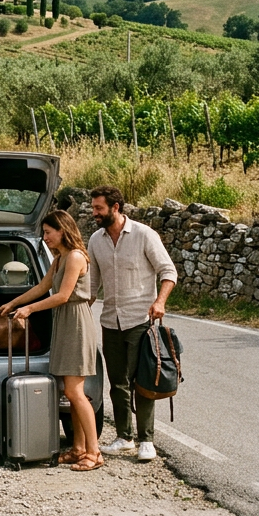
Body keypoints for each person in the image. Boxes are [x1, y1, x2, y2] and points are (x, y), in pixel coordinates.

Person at [0, 210, 103, 471]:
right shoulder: (59, 259)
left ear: (62, 230)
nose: (45, 237)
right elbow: (42, 288)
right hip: (65, 323)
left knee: (75, 392)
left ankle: (95, 452)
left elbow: (63, 296)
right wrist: (14, 303)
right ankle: (78, 448)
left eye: (48, 232)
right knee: (71, 391)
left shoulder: (75, 257)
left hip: (76, 323)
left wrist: (30, 310)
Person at [86, 185, 177, 463]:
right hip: (110, 321)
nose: (94, 213)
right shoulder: (96, 240)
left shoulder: (144, 234)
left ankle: (146, 440)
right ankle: (124, 437)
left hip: (140, 320)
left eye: (99, 208)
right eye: (93, 208)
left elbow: (168, 271)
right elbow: (92, 283)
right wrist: (79, 311)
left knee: (143, 382)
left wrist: (160, 302)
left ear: (115, 207)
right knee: (117, 383)